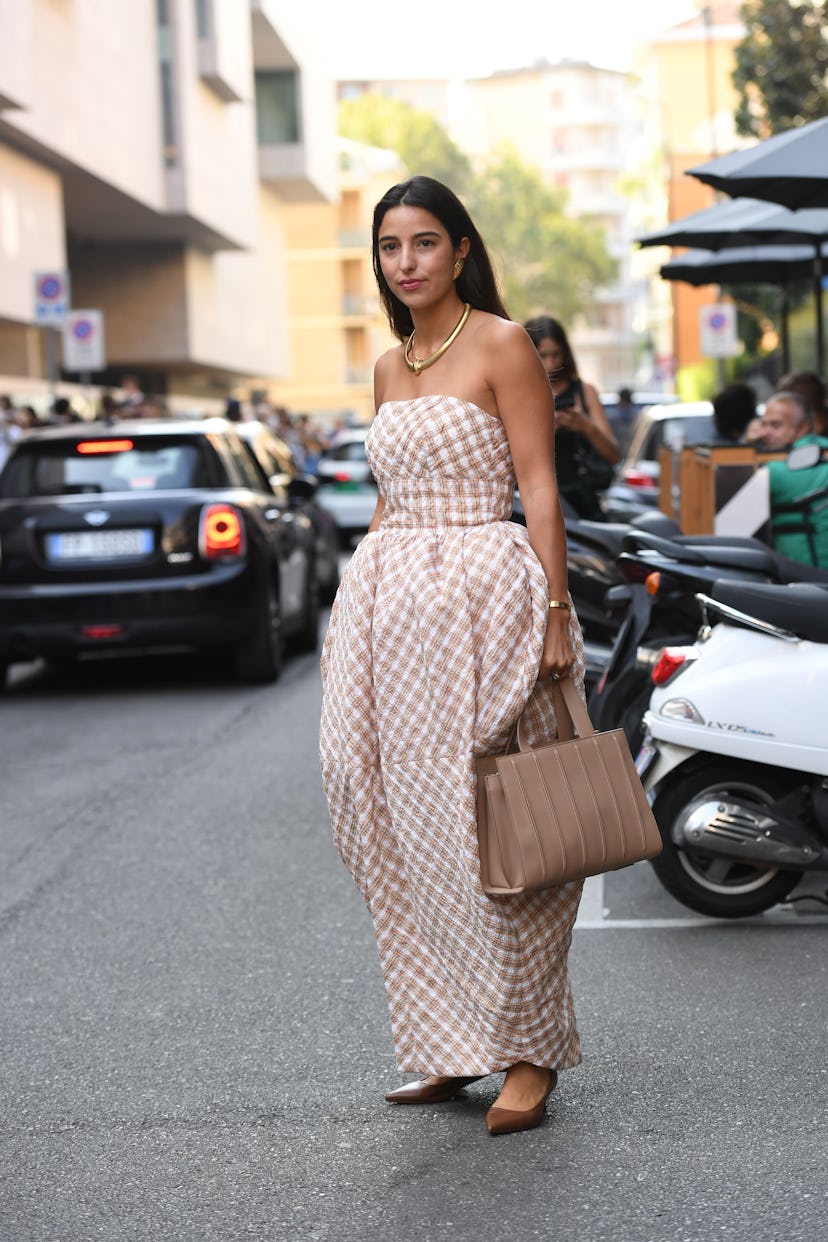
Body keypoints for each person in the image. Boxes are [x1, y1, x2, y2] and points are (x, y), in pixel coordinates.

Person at [319, 175, 586, 1137]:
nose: (408, 263)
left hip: (485, 595)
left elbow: (539, 487)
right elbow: (391, 499)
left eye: (425, 243)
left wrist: (555, 611)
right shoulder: (393, 366)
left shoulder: (503, 344)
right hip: (394, 611)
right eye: (391, 248)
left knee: (490, 828)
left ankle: (526, 1050)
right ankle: (446, 1041)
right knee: (378, 804)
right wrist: (354, 611)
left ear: (461, 249)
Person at [523, 316, 619, 520]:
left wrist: (585, 426)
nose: (551, 364)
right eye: (543, 356)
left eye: (556, 354)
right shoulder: (517, 392)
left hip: (581, 502)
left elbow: (613, 455)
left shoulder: (584, 392)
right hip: (534, 502)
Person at [760, 391, 828, 567]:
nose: (764, 432)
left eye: (775, 425)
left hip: (808, 577)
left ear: (802, 427)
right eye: (763, 424)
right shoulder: (822, 449)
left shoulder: (777, 470)